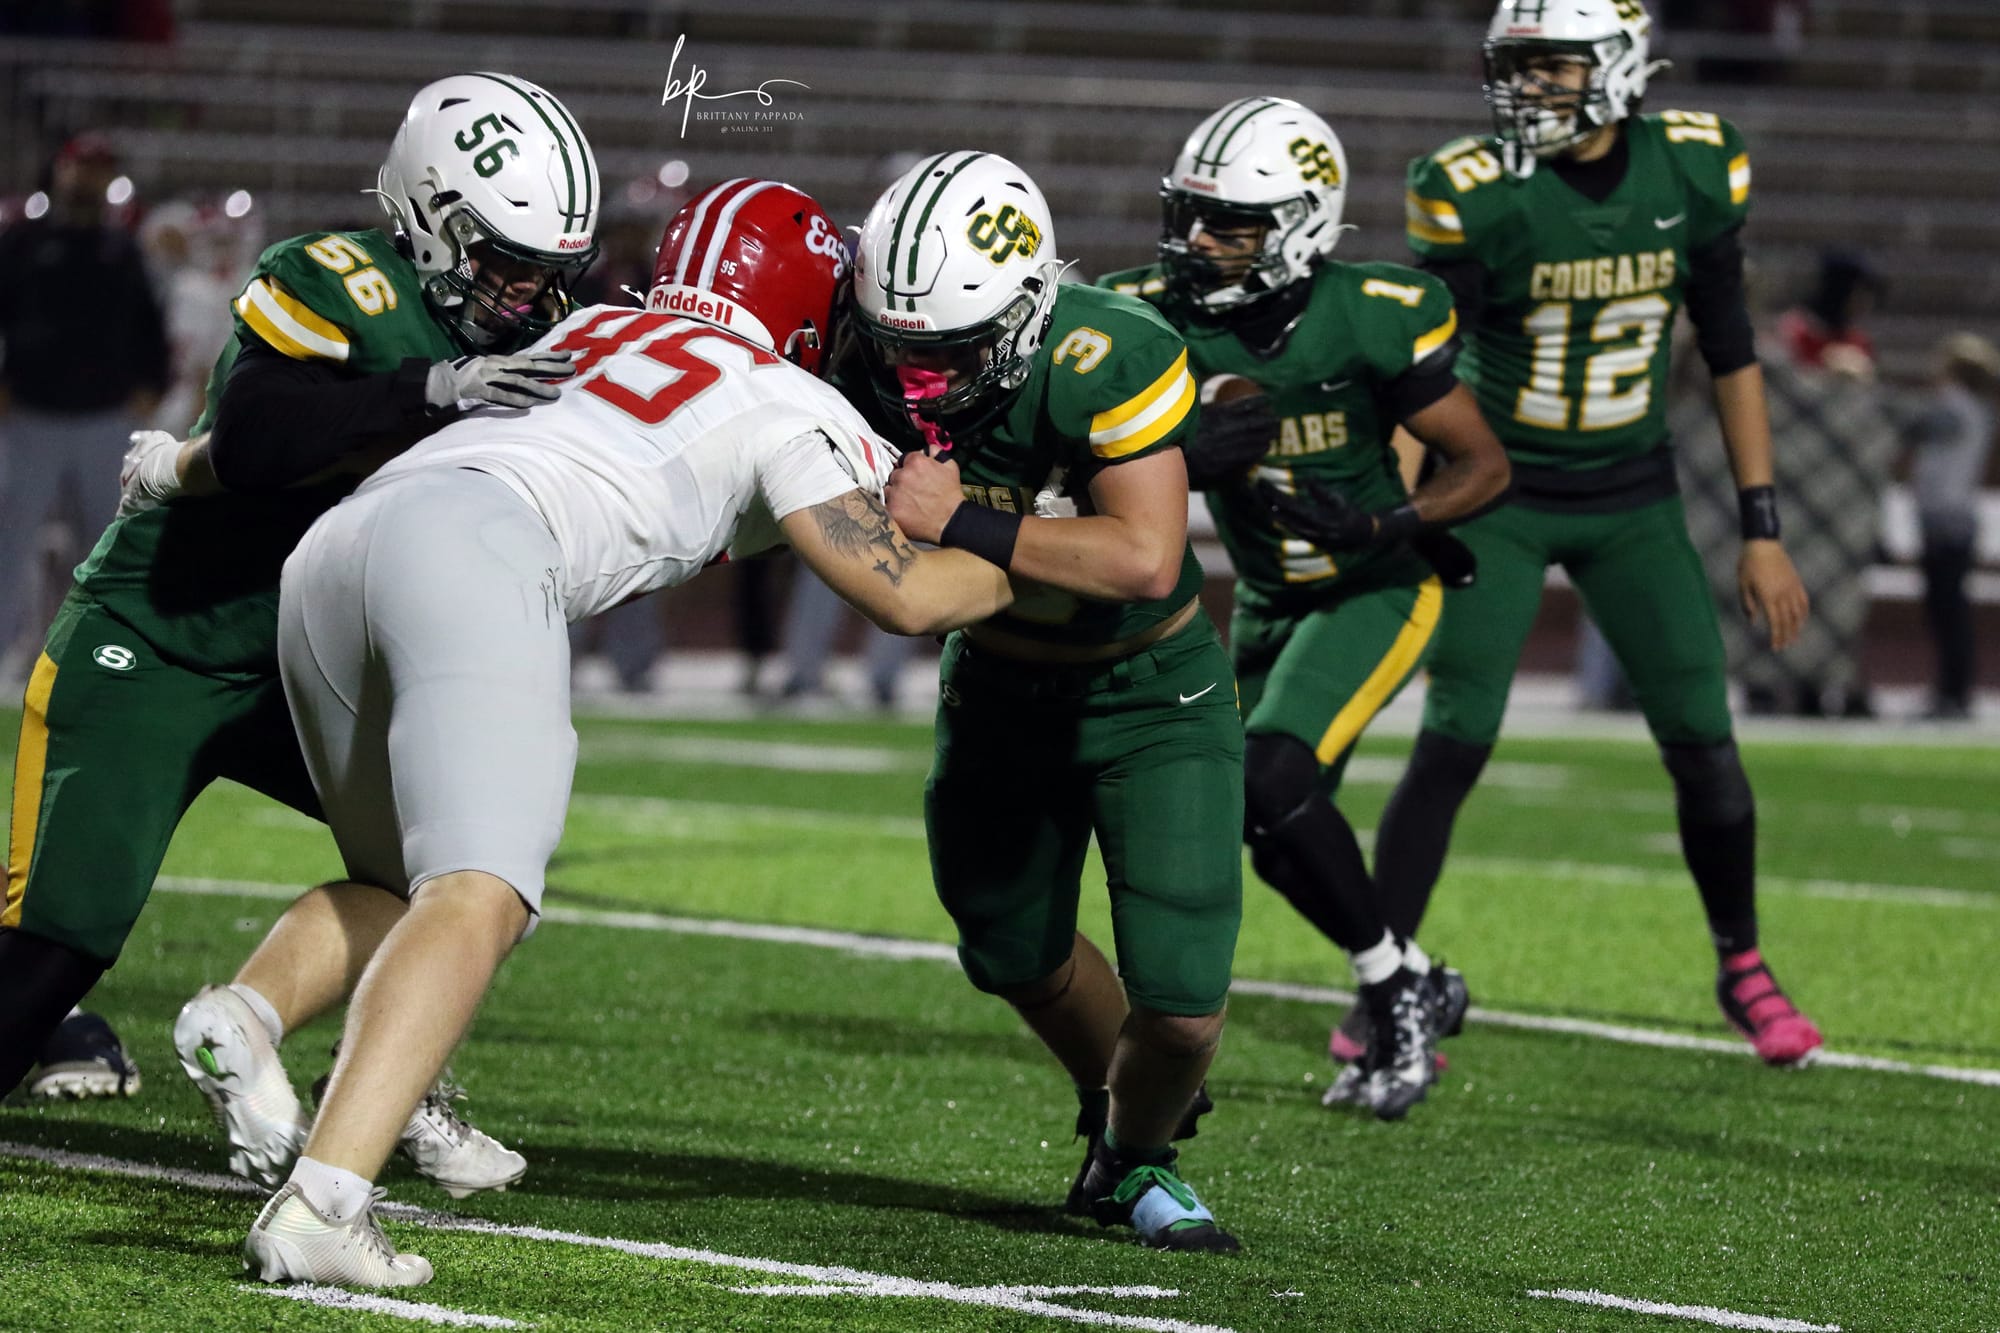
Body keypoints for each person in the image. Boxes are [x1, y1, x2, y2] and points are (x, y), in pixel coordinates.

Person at [242, 177, 1014, 1288]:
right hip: (476, 546)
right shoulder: (788, 396)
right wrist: (1021, 559)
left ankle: (260, 1024)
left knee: (402, 894)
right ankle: (323, 1202)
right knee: (477, 895)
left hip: (336, 549)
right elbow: (906, 595)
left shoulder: (587, 326)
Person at [1, 73, 595, 1206]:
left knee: (468, 870)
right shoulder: (338, 279)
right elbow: (261, 436)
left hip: (303, 667)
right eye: (505, 261)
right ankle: (49, 1019)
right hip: (159, 640)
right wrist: (434, 388)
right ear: (429, 214)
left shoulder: (539, 327)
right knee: (55, 945)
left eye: (546, 270)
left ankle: (389, 1081)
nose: (528, 294)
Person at [1380, 0, 1821, 1066]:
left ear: (1618, 67)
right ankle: (1383, 983)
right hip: (1500, 496)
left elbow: (1730, 350)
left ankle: (1742, 963)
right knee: (1453, 740)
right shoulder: (1473, 186)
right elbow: (1418, 371)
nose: (1527, 86)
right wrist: (1398, 514)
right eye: (1517, 65)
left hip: (1632, 496)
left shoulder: (1693, 165)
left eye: (1553, 66)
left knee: (1702, 739)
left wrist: (1761, 527)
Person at [850, 151, 1242, 1252]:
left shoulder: (1104, 351)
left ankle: (1134, 1156)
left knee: (1182, 1011)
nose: (921, 381)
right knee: (1008, 947)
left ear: (1026, 309)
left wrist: (958, 521)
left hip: (1152, 692)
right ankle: (1122, 1105)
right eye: (902, 350)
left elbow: (1144, 558)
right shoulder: (857, 348)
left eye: (952, 351)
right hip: (995, 685)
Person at [1099, 97, 1511, 1118]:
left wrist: (1383, 522)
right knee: (1253, 818)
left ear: (1301, 225)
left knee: (1273, 776)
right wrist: (1184, 458)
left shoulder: (1373, 309)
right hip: (1266, 600)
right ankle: (1410, 973)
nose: (1199, 241)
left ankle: (1391, 991)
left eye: (1230, 224)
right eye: (1191, 215)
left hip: (1373, 585)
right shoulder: (1148, 311)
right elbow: (1084, 456)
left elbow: (1483, 464)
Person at [0, 133, 168, 680]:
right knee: (9, 545)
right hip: (30, 418)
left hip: (105, 420)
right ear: (61, 169)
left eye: (101, 169)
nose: (90, 178)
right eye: (82, 167)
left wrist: (152, 384)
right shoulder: (22, 241)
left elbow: (149, 325)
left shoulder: (122, 248)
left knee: (104, 547)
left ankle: (98, 661)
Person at [1906, 332, 2000, 719]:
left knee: (1947, 610)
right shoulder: (1979, 411)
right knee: (1948, 609)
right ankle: (1952, 687)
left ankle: (1953, 690)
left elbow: (1913, 426)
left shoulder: (1956, 407)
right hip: (1954, 517)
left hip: (1946, 520)